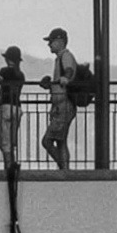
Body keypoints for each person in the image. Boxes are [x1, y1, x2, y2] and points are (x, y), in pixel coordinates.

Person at [39, 26, 78, 171]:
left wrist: (65, 79)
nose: (49, 44)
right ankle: (65, 169)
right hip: (61, 106)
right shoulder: (60, 58)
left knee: (47, 141)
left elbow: (69, 70)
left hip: (63, 106)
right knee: (61, 141)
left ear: (60, 41)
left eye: (51, 41)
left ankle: (64, 169)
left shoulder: (65, 56)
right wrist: (50, 85)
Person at [0, 45, 26, 169]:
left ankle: (8, 167)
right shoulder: (21, 74)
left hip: (5, 107)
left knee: (4, 142)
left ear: (7, 59)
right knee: (12, 140)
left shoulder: (4, 71)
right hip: (17, 108)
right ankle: (13, 162)